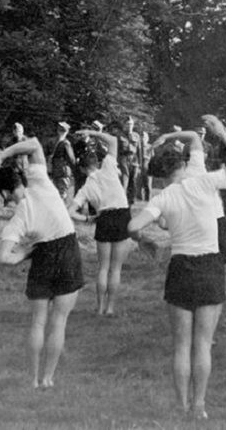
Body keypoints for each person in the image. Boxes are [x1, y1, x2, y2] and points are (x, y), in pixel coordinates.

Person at [128, 115, 226, 421]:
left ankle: (181, 406)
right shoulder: (206, 181)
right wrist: (224, 135)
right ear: (184, 163)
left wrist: (141, 239)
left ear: (161, 175)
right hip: (210, 265)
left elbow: (132, 224)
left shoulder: (164, 196)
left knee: (181, 345)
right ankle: (200, 406)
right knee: (202, 345)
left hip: (180, 267)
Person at [0, 136, 85, 388]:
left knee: (38, 322)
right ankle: (48, 378)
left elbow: (2, 257)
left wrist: (25, 253)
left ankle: (32, 380)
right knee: (59, 322)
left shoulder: (18, 219)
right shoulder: (40, 182)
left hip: (42, 255)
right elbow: (33, 143)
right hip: (67, 250)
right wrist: (2, 154)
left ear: (4, 192)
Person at [68, 127, 134, 317]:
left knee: (103, 267)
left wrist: (87, 218)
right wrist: (91, 132)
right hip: (122, 215)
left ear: (81, 169)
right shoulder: (108, 167)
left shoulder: (86, 187)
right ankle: (110, 307)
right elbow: (113, 140)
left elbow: (70, 211)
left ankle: (99, 308)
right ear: (97, 162)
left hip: (103, 217)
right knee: (116, 268)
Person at [47, 121, 76, 203]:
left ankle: (63, 212)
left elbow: (72, 159)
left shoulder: (66, 143)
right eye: (59, 129)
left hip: (63, 172)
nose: (60, 130)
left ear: (66, 131)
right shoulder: (56, 142)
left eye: (62, 129)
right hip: (56, 171)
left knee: (61, 193)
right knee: (56, 193)